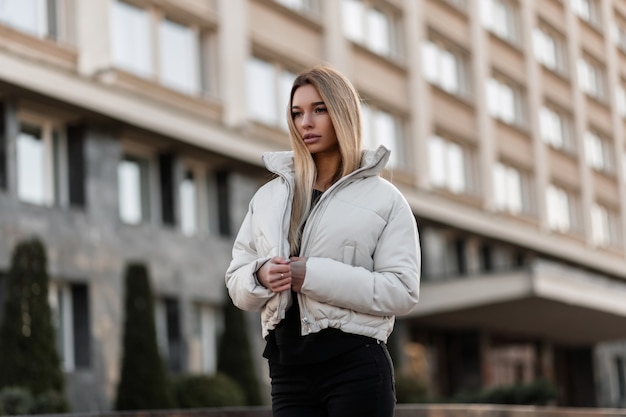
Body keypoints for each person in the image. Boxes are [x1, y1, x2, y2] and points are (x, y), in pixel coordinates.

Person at [225, 65, 420, 417]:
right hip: (287, 369)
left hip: (356, 366)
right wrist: (260, 275)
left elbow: (402, 291)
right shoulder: (269, 197)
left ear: (342, 113)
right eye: (297, 113)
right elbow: (236, 280)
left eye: (319, 109)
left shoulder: (386, 200)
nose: (306, 123)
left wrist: (310, 276)